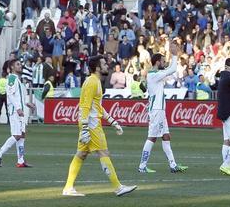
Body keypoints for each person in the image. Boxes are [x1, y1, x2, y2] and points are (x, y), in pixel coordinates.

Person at [62, 56, 136, 197]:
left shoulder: (94, 82)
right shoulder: (92, 82)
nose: (106, 65)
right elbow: (85, 106)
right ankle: (118, 187)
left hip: (88, 123)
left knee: (81, 154)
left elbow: (97, 107)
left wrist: (112, 121)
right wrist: (84, 128)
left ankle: (68, 188)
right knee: (103, 152)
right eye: (103, 64)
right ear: (96, 67)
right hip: (91, 124)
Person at [138, 43, 188, 174]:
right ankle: (142, 166)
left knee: (166, 136)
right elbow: (172, 69)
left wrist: (173, 56)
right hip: (157, 110)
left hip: (159, 110)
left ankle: (173, 165)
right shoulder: (154, 74)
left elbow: (170, 69)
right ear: (157, 62)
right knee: (152, 137)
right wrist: (175, 55)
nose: (164, 63)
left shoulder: (155, 73)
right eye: (163, 61)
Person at [0, 59, 34, 168]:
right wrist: (19, 108)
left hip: (19, 110)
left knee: (22, 135)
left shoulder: (17, 79)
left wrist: (26, 103)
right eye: (18, 64)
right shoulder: (11, 78)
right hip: (15, 111)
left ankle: (21, 161)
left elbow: (17, 96)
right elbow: (10, 95)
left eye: (20, 64)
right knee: (17, 135)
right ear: (12, 67)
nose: (20, 66)